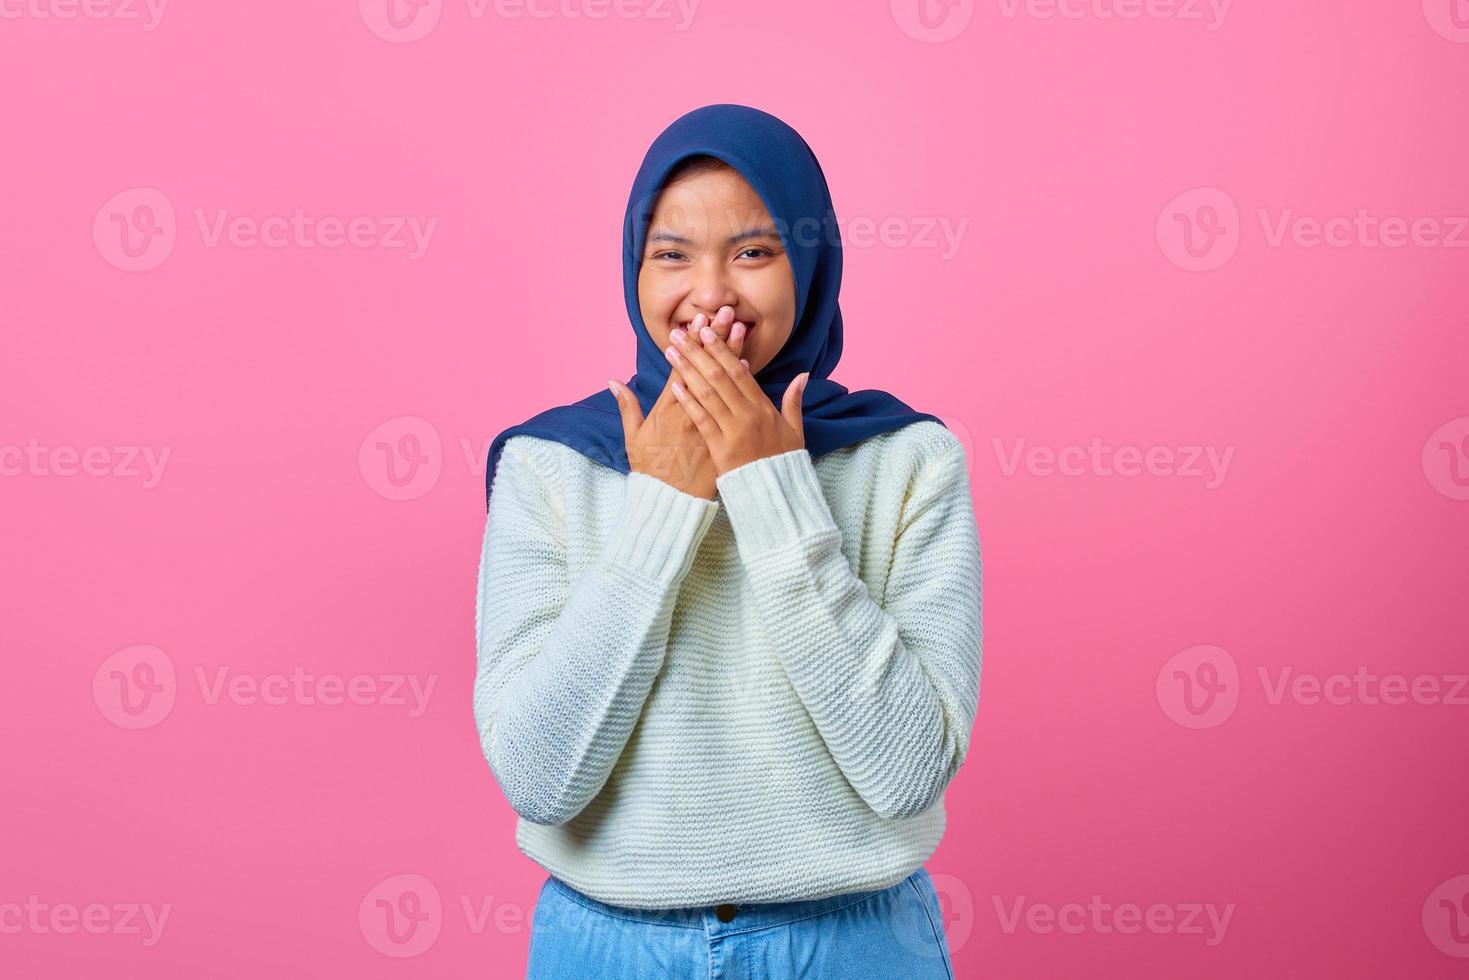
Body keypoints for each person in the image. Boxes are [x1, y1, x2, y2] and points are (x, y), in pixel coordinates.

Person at [474, 103, 982, 979]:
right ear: (632, 269)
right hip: (608, 944)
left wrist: (773, 489)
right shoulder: (549, 465)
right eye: (671, 255)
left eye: (752, 252)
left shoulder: (909, 461)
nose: (709, 295)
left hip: (853, 942)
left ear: (811, 267)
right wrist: (662, 504)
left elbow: (906, 774)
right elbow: (538, 779)